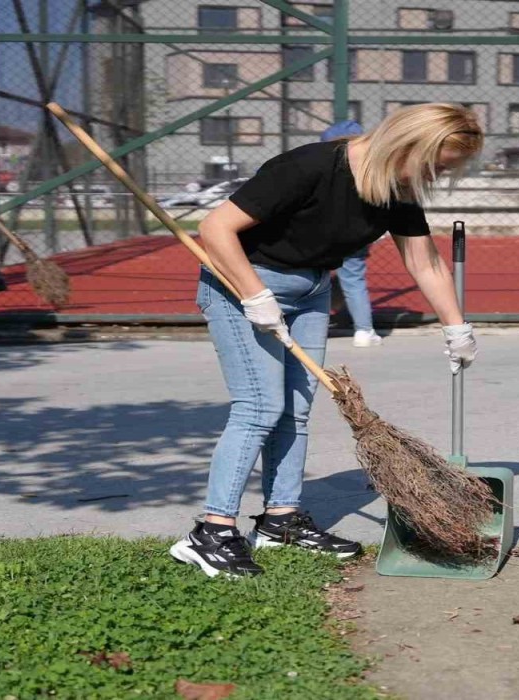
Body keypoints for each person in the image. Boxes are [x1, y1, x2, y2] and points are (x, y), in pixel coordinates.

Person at [170, 103, 482, 578]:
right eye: (438, 164)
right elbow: (215, 228)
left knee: (295, 408)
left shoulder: (395, 189)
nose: (439, 175)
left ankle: (280, 520)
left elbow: (425, 262)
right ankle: (211, 532)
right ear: (411, 145)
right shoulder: (309, 166)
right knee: (259, 406)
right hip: (240, 285)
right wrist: (256, 296)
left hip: (312, 290)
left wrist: (455, 327)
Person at [320, 120, 382, 348]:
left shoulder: (318, 168)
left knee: (311, 278)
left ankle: (310, 325)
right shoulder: (370, 172)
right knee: (354, 280)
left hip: (317, 233)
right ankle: (364, 331)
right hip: (354, 234)